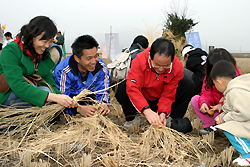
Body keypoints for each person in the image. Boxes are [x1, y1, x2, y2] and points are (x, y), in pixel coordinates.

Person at [115, 38, 195, 133]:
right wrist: (146, 110)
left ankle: (169, 120)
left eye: (166, 66)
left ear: (172, 59)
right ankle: (135, 118)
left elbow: (168, 94)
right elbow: (133, 88)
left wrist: (163, 112)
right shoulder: (140, 60)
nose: (161, 69)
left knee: (188, 84)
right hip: (143, 99)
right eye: (156, 64)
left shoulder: (177, 67)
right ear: (150, 56)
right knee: (122, 86)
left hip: (160, 98)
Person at [0, 16, 78, 109]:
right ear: (32, 36)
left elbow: (49, 82)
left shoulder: (40, 54)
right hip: (8, 96)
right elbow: (18, 86)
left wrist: (68, 103)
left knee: (47, 91)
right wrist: (53, 97)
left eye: (50, 41)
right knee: (44, 93)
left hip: (30, 93)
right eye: (44, 41)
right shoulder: (11, 51)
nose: (47, 46)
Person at [53, 35, 110, 117]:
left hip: (89, 97)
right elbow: (62, 99)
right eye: (89, 58)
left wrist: (103, 103)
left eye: (96, 56)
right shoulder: (63, 71)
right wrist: (78, 109)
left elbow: (103, 90)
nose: (94, 62)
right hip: (72, 102)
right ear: (77, 58)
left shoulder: (101, 68)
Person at [190, 48, 242, 135]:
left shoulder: (235, 79)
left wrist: (222, 106)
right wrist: (204, 103)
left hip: (227, 111)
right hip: (215, 109)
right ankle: (210, 126)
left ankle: (229, 129)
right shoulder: (209, 77)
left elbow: (237, 100)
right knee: (195, 100)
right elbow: (206, 92)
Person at [211, 60, 250, 166]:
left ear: (219, 82)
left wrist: (224, 119)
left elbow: (244, 113)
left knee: (229, 127)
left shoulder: (234, 91)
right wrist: (224, 115)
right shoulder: (242, 85)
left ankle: (248, 155)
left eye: (215, 84)